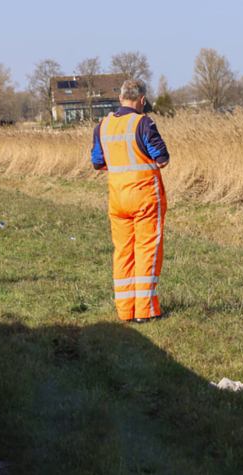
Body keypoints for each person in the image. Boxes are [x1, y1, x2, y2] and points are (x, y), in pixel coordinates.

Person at [91, 79, 170, 323]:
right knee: (146, 251)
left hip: (117, 199)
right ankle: (145, 312)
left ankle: (125, 311)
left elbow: (97, 162)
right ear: (142, 99)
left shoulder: (102, 126)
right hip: (145, 198)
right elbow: (162, 159)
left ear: (120, 98)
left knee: (123, 253)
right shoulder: (143, 122)